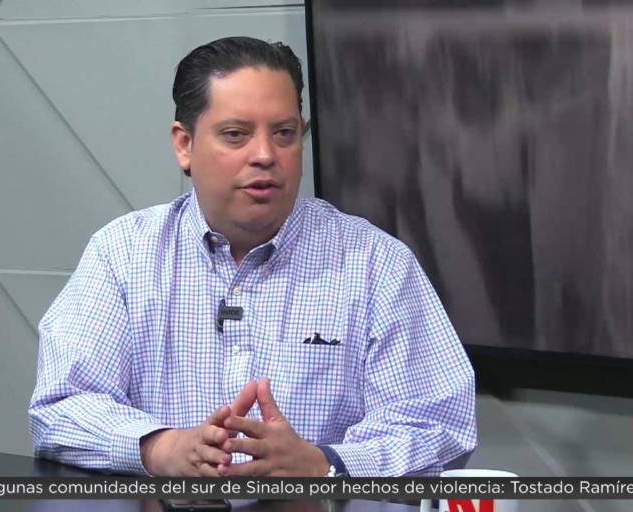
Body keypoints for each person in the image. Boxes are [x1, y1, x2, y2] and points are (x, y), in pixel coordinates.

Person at [28, 36, 476, 478]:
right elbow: (61, 406)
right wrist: (160, 448)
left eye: (284, 134)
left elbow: (439, 426)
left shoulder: (377, 264)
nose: (264, 155)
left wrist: (324, 465)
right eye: (236, 135)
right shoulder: (123, 254)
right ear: (184, 144)